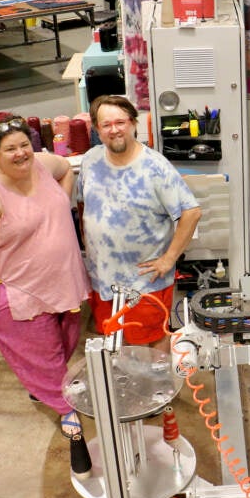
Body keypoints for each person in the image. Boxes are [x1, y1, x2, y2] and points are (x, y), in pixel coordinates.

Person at [0, 117, 90, 438]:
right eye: (10, 149)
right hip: (24, 290)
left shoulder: (43, 166)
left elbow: (65, 166)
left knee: (65, 342)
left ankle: (45, 387)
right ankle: (64, 407)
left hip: (64, 279)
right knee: (43, 352)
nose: (21, 154)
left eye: (24, 146)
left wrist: (63, 203)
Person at [78, 95, 201, 352]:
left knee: (152, 341)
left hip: (144, 282)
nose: (114, 130)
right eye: (106, 124)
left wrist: (168, 260)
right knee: (115, 337)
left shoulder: (155, 168)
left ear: (133, 123)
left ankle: (159, 389)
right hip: (103, 278)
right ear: (97, 130)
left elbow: (191, 212)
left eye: (120, 122)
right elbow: (83, 206)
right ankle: (127, 387)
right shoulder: (90, 161)